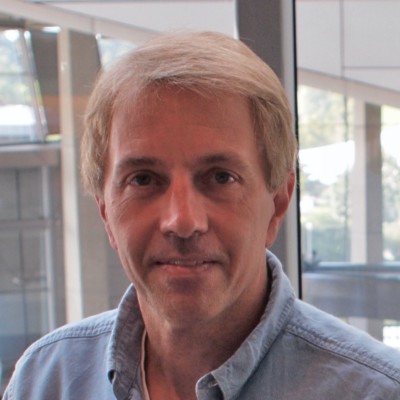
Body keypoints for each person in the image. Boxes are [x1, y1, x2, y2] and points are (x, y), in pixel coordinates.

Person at [4, 31, 400, 400]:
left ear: (279, 201)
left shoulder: (376, 391)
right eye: (143, 179)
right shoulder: (45, 380)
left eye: (220, 177)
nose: (182, 221)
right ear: (105, 209)